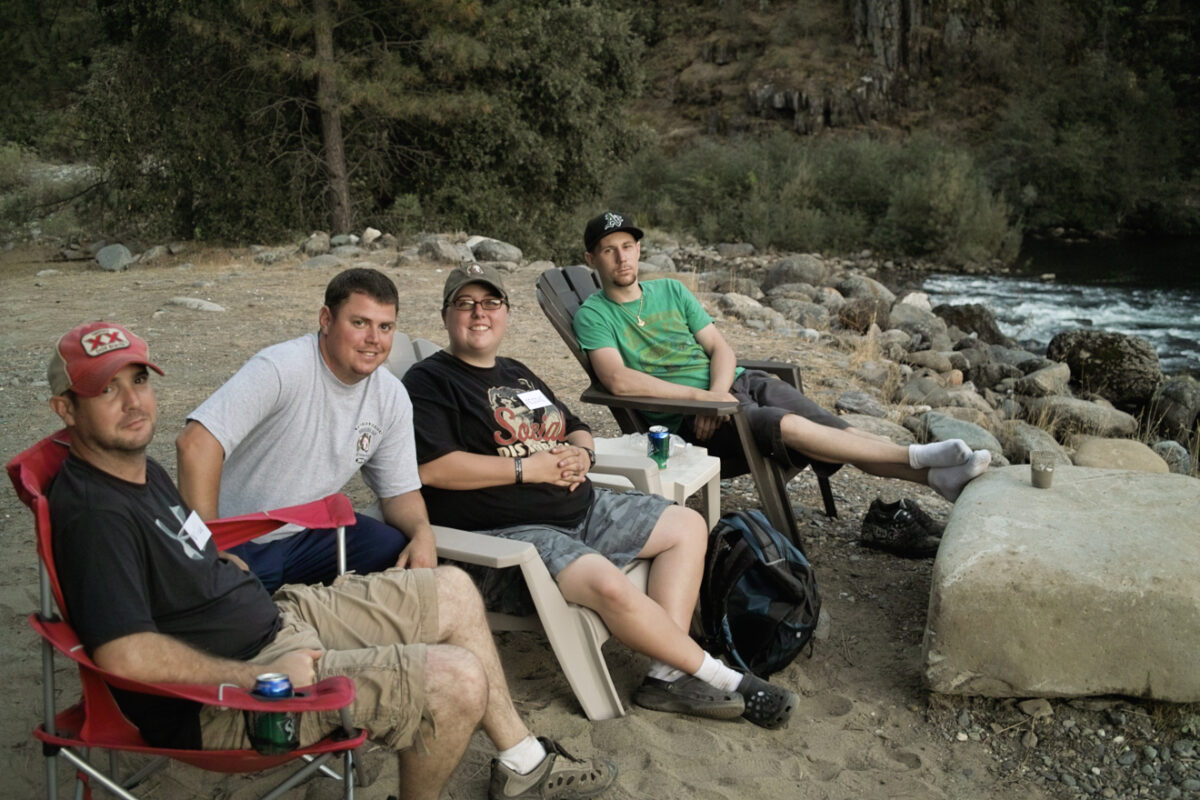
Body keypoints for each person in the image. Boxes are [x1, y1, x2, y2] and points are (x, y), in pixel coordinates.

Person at [44, 320, 616, 800]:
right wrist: (254, 676)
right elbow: (123, 653)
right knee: (457, 679)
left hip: (273, 617)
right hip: (231, 696)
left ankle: (521, 760)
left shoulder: (139, 473)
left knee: (453, 588)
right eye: (106, 390)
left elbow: (188, 539)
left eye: (138, 380)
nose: (133, 402)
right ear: (66, 409)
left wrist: (223, 562)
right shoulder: (94, 513)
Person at [402, 263, 798, 730]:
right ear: (446, 315)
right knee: (609, 581)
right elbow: (433, 467)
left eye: (490, 303)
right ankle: (724, 678)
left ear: (506, 313)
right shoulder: (428, 381)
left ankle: (666, 675)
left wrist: (582, 454)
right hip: (514, 535)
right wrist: (527, 468)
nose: (478, 314)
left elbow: (575, 425)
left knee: (687, 525)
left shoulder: (516, 373)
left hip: (582, 507)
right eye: (464, 304)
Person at [574, 211, 992, 505]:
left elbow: (720, 348)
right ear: (592, 259)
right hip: (690, 419)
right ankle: (918, 457)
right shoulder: (594, 314)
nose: (621, 257)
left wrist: (717, 393)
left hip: (735, 386)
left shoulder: (672, 291)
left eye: (627, 246)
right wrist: (701, 401)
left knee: (837, 429)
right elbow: (619, 382)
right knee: (789, 426)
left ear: (639, 248)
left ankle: (938, 478)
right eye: (609, 250)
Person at [177, 268, 436, 594]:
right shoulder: (282, 368)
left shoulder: (390, 395)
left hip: (310, 537)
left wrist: (423, 532)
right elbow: (195, 443)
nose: (374, 339)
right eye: (360, 323)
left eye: (385, 327)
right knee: (230, 603)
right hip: (242, 540)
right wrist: (211, 547)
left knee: (391, 547)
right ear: (326, 320)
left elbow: (399, 492)